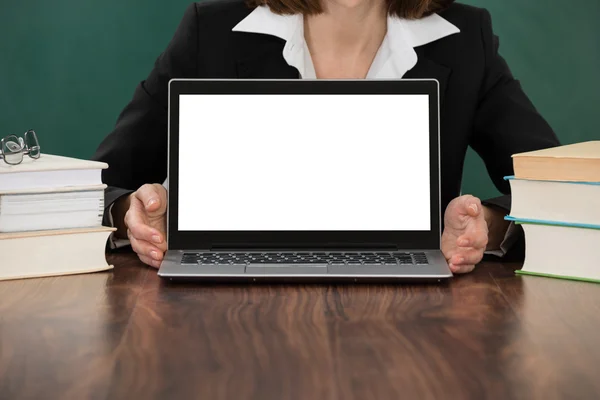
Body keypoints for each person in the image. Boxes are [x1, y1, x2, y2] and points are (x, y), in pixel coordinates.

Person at [92, 0, 560, 273]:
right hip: (225, 313)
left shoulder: (464, 38)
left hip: (417, 321)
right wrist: (133, 213)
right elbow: (104, 183)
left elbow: (559, 187)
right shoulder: (210, 30)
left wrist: (489, 227)